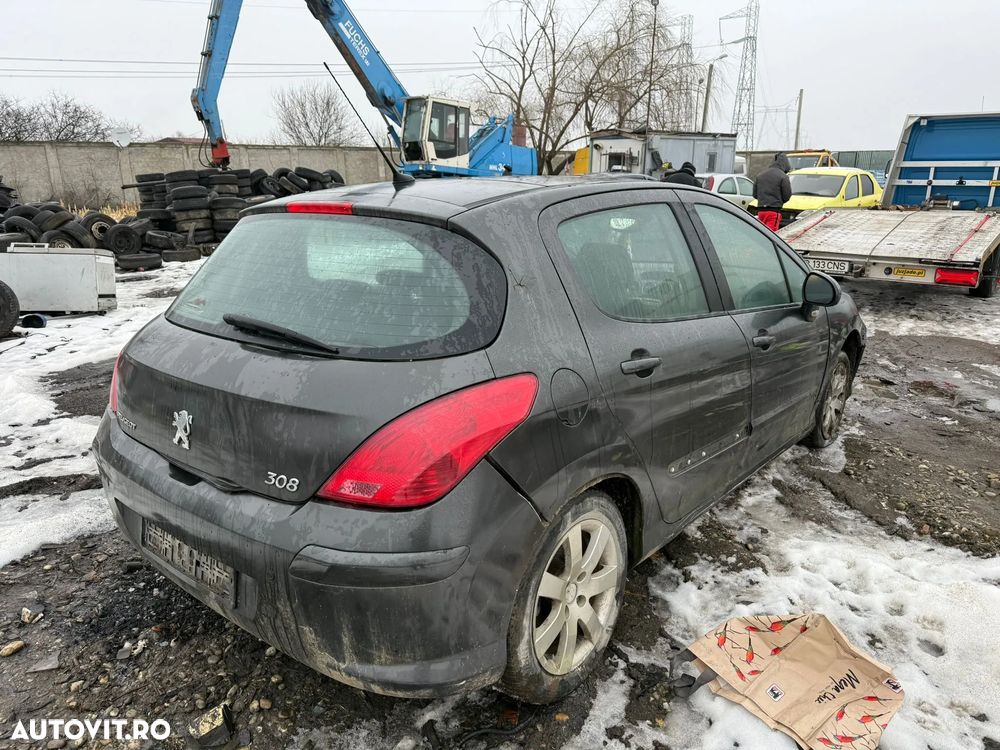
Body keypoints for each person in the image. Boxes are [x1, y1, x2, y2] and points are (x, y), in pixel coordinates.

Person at [753, 153, 792, 231]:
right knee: (771, 235)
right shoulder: (783, 177)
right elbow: (787, 195)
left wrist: (763, 200)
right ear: (785, 164)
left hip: (760, 212)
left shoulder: (760, 175)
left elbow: (755, 194)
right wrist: (778, 201)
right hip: (774, 211)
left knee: (762, 234)